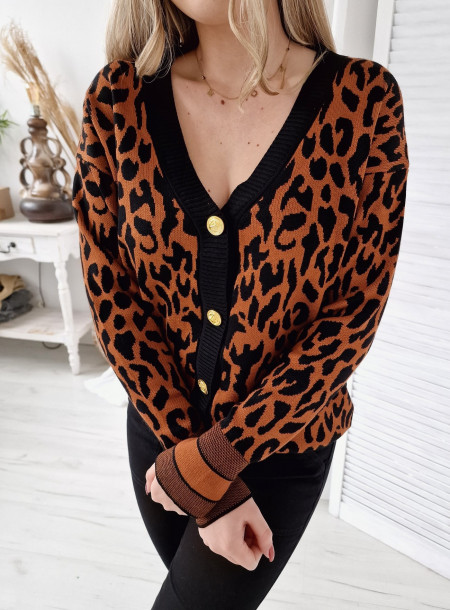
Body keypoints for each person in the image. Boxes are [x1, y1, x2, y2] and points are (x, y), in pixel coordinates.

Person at [72, 0, 409, 607]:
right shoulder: (118, 101)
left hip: (283, 442)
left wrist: (221, 457)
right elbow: (111, 293)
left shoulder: (363, 100)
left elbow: (355, 310)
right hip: (162, 432)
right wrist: (198, 469)